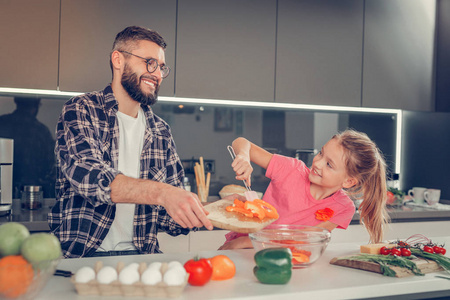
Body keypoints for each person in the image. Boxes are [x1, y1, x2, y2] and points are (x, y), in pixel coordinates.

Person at [48, 26, 213, 258]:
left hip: (142, 257)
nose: (157, 74)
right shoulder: (82, 109)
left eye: (161, 67)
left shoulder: (161, 131)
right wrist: (163, 193)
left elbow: (170, 218)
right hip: (83, 256)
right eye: (149, 62)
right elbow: (89, 178)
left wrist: (223, 210)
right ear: (118, 59)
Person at [220, 129, 388, 250]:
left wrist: (242, 242)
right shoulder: (292, 169)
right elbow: (241, 142)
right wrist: (243, 156)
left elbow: (299, 239)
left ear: (349, 181)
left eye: (329, 164)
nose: (318, 163)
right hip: (242, 252)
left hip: (282, 258)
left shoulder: (343, 208)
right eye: (321, 153)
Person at [0, 97, 55, 198]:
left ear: (16, 102)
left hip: (3, 191)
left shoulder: (2, 123)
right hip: (32, 195)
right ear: (36, 106)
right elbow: (51, 166)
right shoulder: (41, 131)